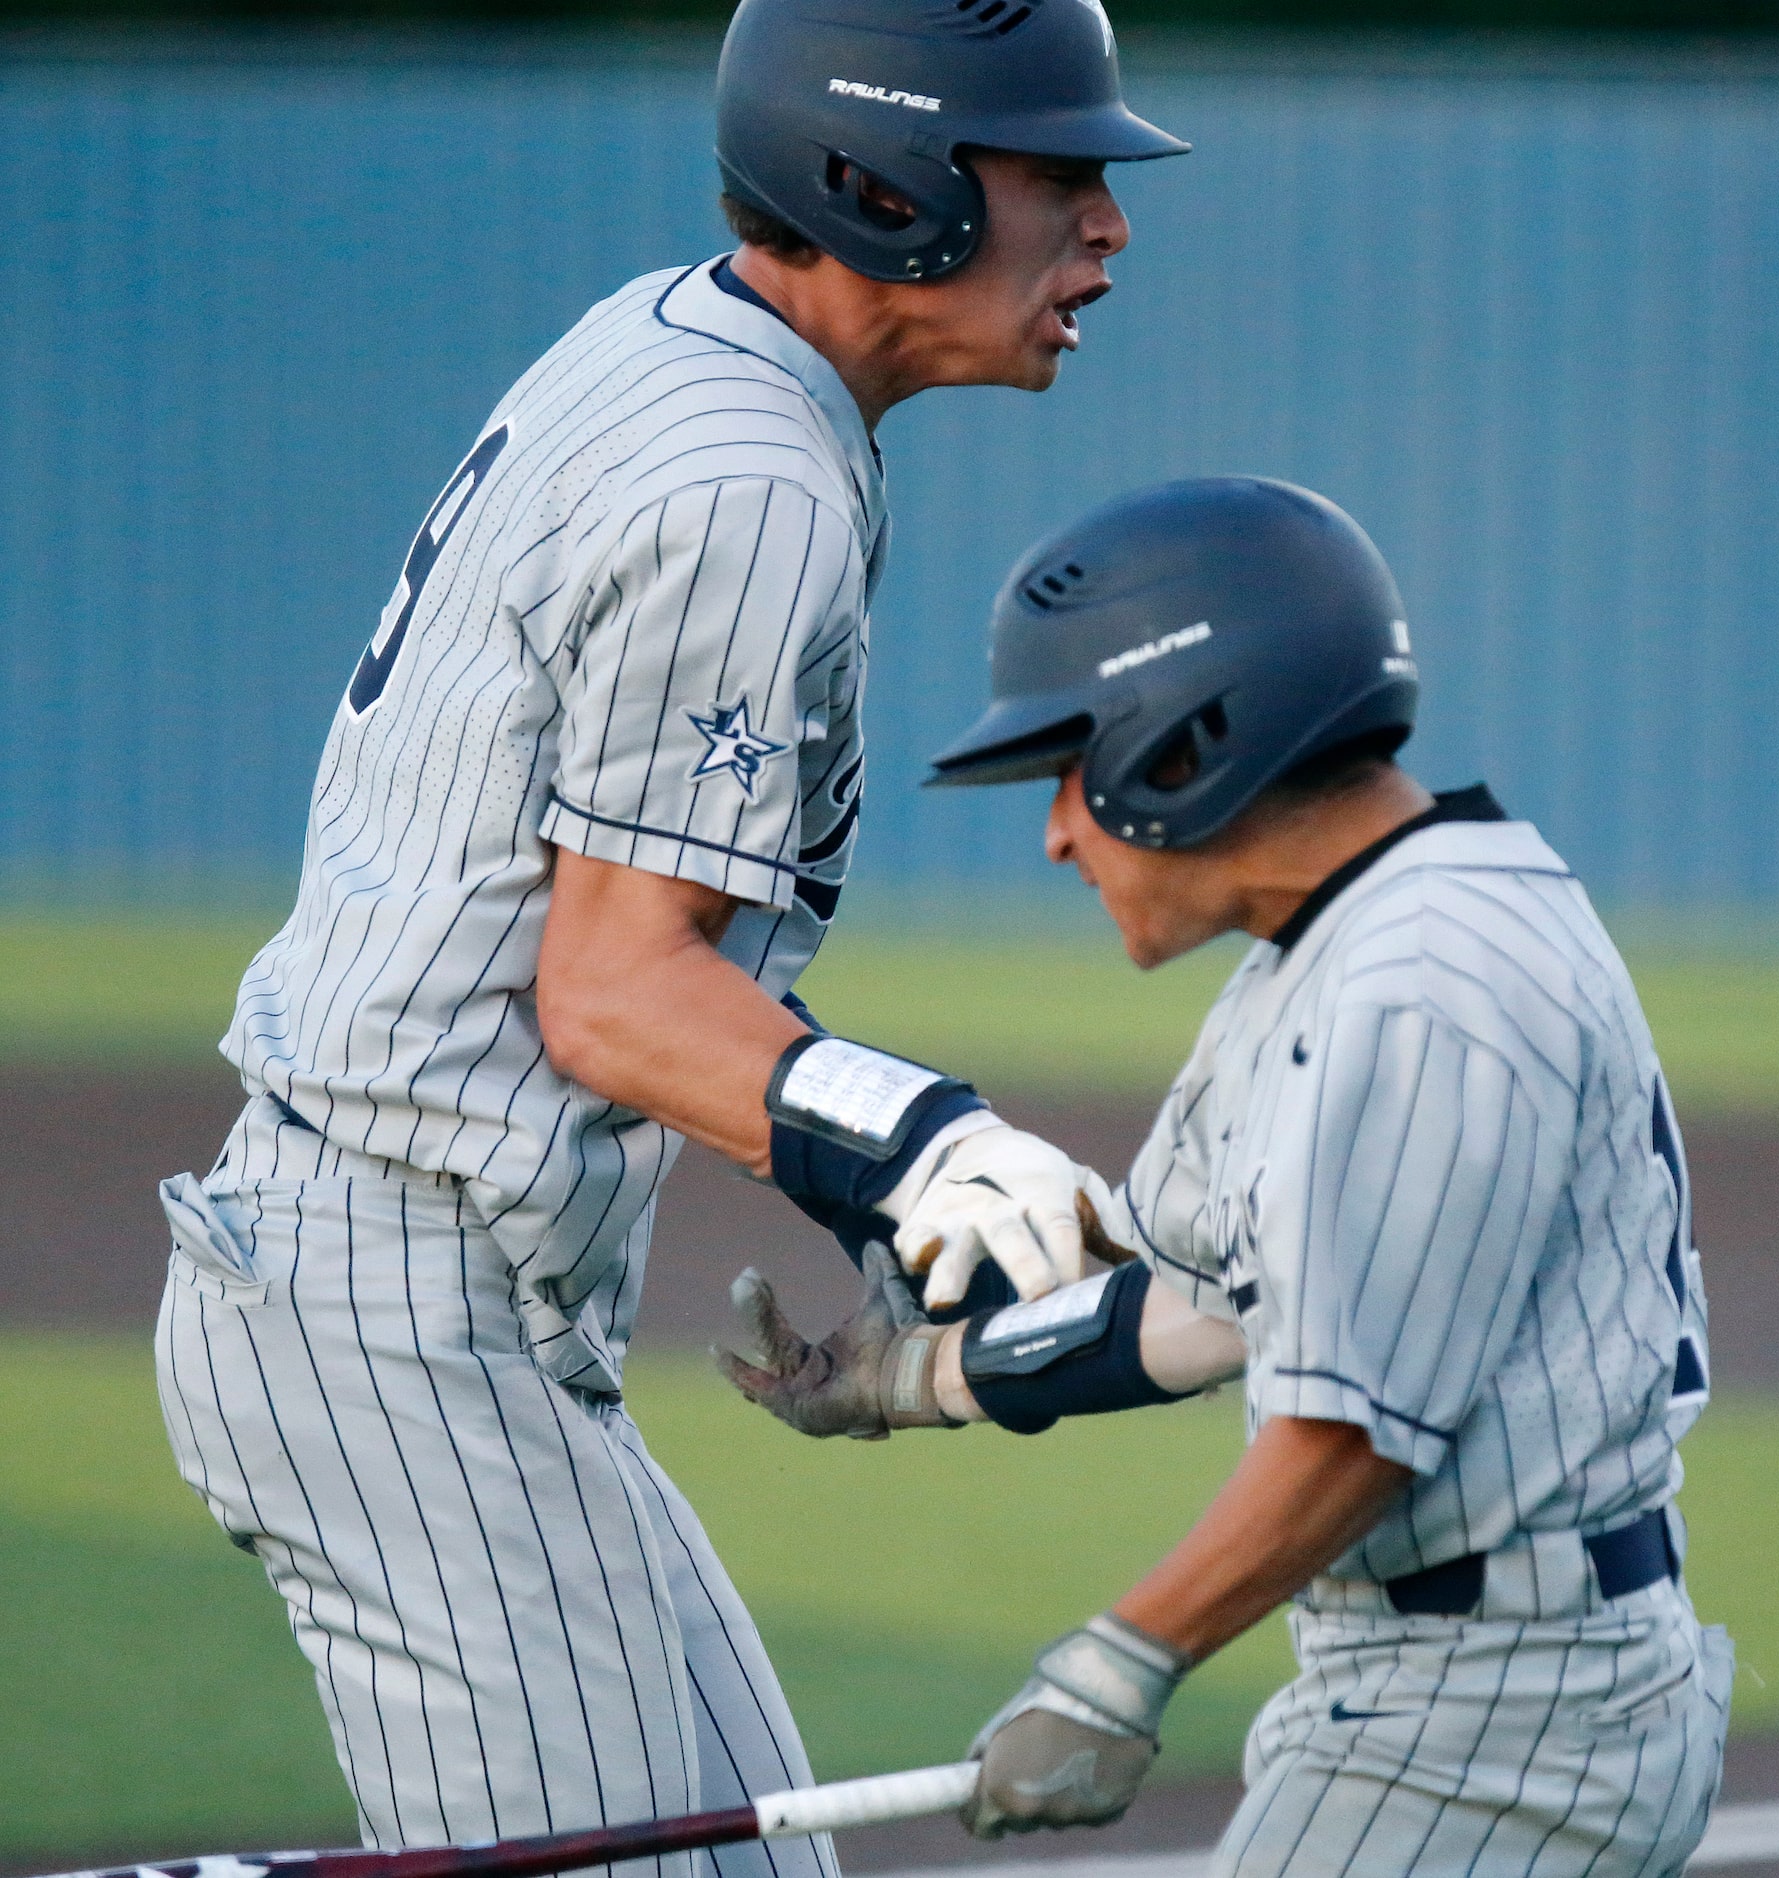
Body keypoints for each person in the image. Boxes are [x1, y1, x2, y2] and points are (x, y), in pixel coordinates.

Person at [151, 0, 1186, 1864]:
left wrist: (868, 1182)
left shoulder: (694, 354)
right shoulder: (746, 474)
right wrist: (923, 1144)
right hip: (394, 1311)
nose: (1107, 226)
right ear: (886, 185)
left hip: (417, 1285)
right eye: (1059, 173)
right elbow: (614, 990)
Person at [719, 477, 1735, 1878]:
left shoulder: (1422, 981)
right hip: (1461, 1687)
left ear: (1188, 742)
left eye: (1070, 771)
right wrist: (912, 1379)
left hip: (1505, 1723)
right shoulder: (1350, 943)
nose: (1057, 835)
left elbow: (1357, 1433)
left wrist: (1118, 1668)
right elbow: (1203, 1304)